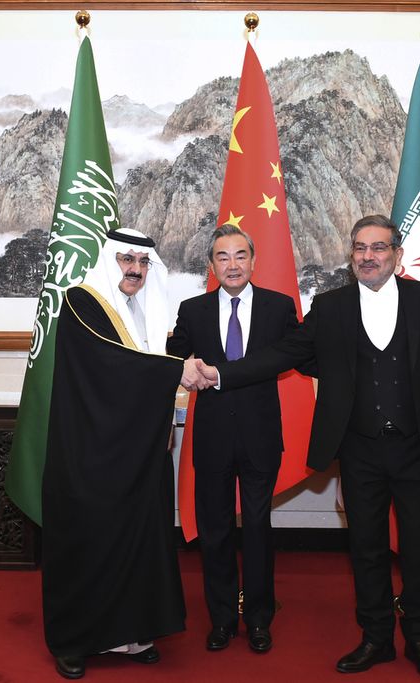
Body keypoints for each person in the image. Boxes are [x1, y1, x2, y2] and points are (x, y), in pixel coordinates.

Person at [196, 215, 420, 680]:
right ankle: (376, 638)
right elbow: (285, 355)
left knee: (419, 547)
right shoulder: (331, 307)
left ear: (397, 255)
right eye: (360, 248)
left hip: (418, 446)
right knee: (365, 548)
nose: (368, 256)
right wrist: (222, 373)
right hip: (359, 449)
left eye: (378, 248)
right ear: (351, 256)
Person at [41, 227, 206, 680]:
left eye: (142, 263)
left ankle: (131, 633)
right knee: (89, 539)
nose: (134, 270)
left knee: (140, 538)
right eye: (125, 260)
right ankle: (74, 640)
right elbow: (110, 364)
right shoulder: (82, 301)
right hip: (90, 452)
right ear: (109, 260)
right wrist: (178, 370)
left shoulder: (143, 311)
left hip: (138, 449)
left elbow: (139, 369)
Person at [167, 225, 302, 654]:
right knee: (216, 532)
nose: (232, 264)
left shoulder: (280, 308)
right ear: (212, 266)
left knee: (259, 529)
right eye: (222, 257)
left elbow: (291, 356)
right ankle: (222, 619)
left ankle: (260, 620)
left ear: (253, 261)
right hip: (211, 438)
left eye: (240, 255)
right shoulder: (192, 310)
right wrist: (183, 366)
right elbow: (173, 358)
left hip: (262, 436)